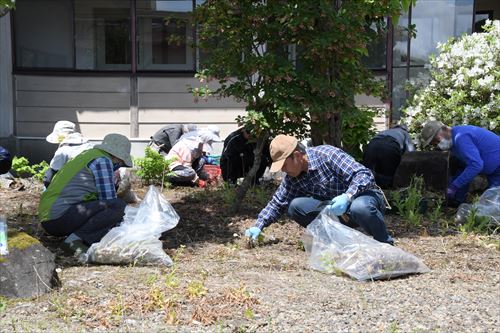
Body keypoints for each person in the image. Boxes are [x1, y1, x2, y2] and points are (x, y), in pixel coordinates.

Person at [245, 135, 393, 244]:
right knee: (295, 206)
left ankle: (385, 244)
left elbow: (363, 175)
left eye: (284, 165)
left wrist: (348, 197)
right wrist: (258, 225)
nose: (283, 170)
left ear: (297, 156)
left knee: (360, 207)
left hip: (363, 200)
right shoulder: (293, 177)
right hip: (337, 213)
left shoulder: (327, 155)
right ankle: (338, 242)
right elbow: (277, 203)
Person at [38, 133, 133, 256]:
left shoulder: (88, 155)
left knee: (114, 207)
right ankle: (75, 241)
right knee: (118, 206)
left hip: (51, 217)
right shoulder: (102, 161)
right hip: (58, 218)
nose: (119, 166)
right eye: (121, 162)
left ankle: (78, 237)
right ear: (117, 156)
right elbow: (109, 200)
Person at [421, 120, 500, 203]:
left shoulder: (461, 138)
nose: (437, 144)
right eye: (434, 143)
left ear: (445, 129)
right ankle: (457, 200)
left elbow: (476, 165)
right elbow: (465, 166)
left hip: (497, 169)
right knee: (493, 201)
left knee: (493, 202)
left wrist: (454, 186)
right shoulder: (454, 142)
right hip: (495, 171)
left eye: (436, 139)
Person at [44, 121, 93, 187]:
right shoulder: (90, 146)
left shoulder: (63, 151)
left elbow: (48, 177)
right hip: (91, 186)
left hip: (71, 188)